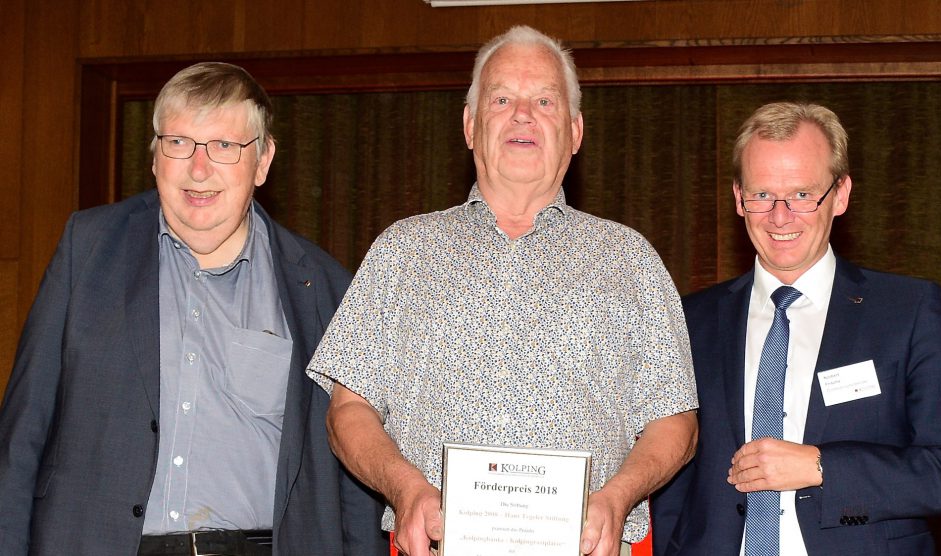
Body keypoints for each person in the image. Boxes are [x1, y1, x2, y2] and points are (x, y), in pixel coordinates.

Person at [306, 25, 698, 556]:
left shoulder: (631, 261)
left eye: (544, 100)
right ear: (470, 125)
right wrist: (406, 490)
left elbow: (675, 420)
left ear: (575, 131)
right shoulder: (402, 252)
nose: (522, 114)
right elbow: (347, 409)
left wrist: (617, 498)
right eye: (501, 98)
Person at [0, 62, 388, 555]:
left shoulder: (322, 286)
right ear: (156, 156)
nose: (198, 169)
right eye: (179, 142)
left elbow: (351, 479)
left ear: (263, 161)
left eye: (225, 146)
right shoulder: (89, 248)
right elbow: (20, 438)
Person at [650, 101, 941, 556]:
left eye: (803, 194)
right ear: (738, 198)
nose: (780, 216)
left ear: (841, 194)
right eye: (762, 195)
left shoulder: (906, 312)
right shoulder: (689, 321)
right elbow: (671, 478)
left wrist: (822, 466)